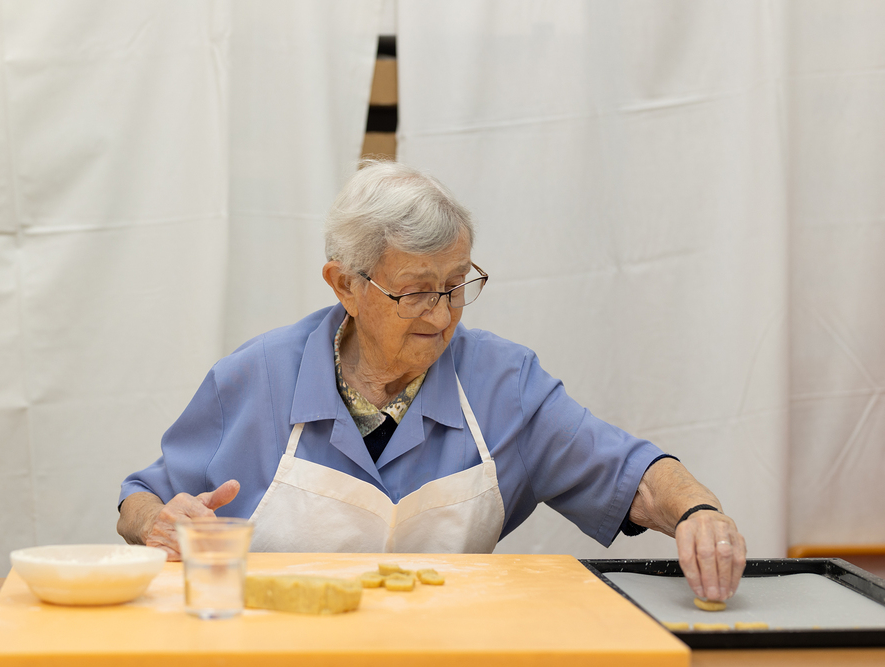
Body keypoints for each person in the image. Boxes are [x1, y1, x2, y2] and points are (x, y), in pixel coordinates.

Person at [118, 160, 747, 603]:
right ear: (345, 285)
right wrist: (160, 523)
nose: (443, 316)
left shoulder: (504, 384)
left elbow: (632, 475)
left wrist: (698, 511)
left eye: (456, 285)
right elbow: (141, 499)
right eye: (417, 292)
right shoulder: (255, 377)